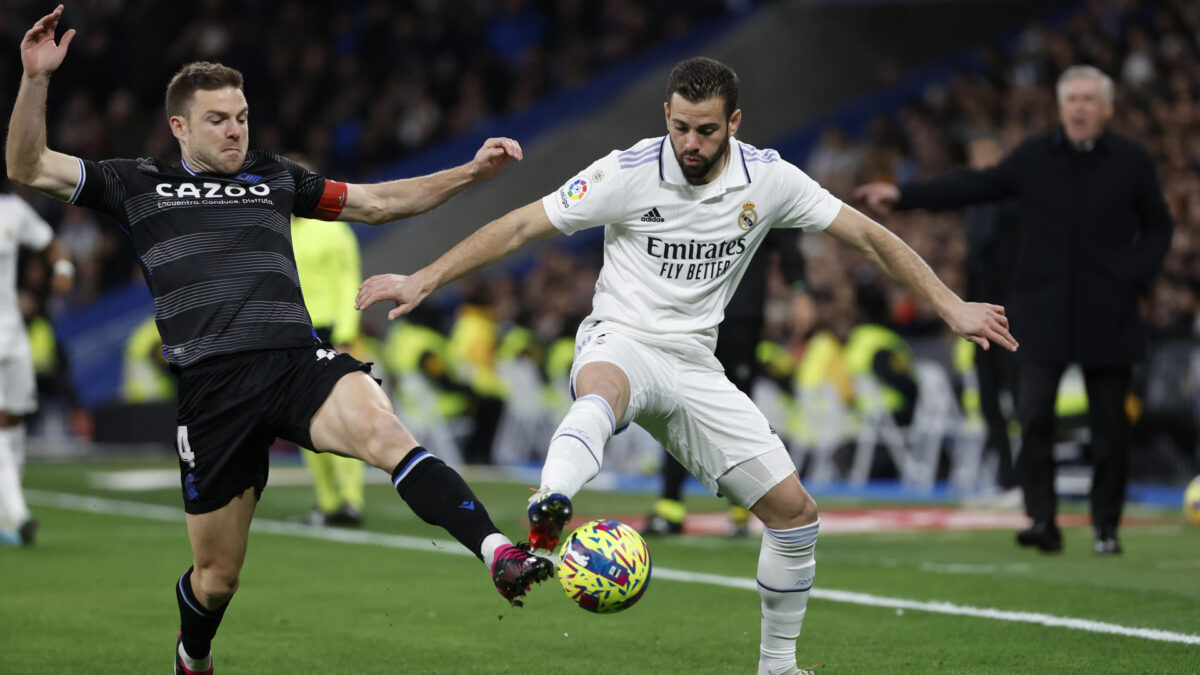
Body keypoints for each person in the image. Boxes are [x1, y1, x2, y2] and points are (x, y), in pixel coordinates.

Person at [358, 56, 1016, 675]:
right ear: (665, 115)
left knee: (795, 513)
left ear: (734, 123)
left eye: (705, 130)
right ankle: (551, 499)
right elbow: (522, 226)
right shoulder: (628, 171)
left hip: (696, 366)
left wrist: (951, 304)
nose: (690, 143)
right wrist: (425, 276)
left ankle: (778, 666)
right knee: (603, 390)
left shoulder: (770, 180)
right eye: (679, 127)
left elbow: (869, 235)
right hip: (622, 337)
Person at [5, 8, 553, 675]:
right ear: (179, 125)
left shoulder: (274, 175)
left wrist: (469, 172)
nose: (235, 128)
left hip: (297, 360)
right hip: (212, 390)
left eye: (240, 115)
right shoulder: (133, 182)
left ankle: (497, 550)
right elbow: (28, 164)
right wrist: (35, 80)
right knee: (216, 579)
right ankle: (192, 652)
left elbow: (376, 202)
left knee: (385, 431)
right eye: (218, 119)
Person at [855, 65, 1173, 555]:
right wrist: (904, 194)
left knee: (1111, 427)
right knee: (1034, 417)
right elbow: (974, 186)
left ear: (1107, 108)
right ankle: (1042, 519)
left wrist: (1135, 274)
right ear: (1062, 107)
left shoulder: (1131, 162)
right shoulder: (1035, 158)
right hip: (1043, 313)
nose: (1081, 107)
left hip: (1109, 312)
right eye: (1073, 99)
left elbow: (1159, 227)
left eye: (1091, 99)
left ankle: (1106, 527)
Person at [643, 228, 809, 538]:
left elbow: (786, 238)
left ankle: (739, 508)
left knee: (735, 413)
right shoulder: (694, 184)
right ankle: (670, 505)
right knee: (676, 404)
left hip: (738, 318)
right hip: (692, 316)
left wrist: (799, 289)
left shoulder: (760, 184)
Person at [290, 169, 367, 527]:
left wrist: (346, 333)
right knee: (302, 421)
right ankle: (327, 502)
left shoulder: (334, 229)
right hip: (293, 335)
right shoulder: (282, 230)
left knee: (342, 417)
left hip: (330, 332)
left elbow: (349, 278)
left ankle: (351, 500)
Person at [0, 187, 72, 546]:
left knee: (13, 422)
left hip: (12, 336)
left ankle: (5, 516)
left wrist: (62, 266)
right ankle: (17, 512)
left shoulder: (12, 210)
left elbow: (48, 241)